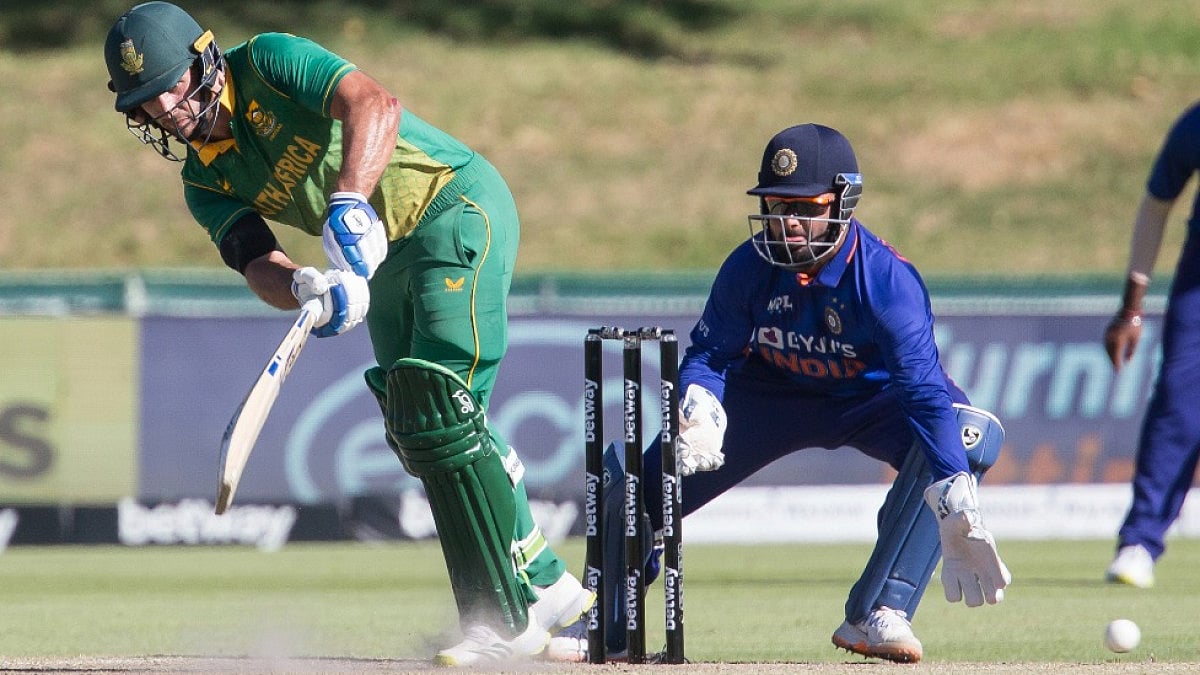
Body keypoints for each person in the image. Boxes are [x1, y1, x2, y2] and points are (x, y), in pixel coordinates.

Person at [103, 2, 592, 666]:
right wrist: (304, 285)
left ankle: (506, 615)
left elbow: (374, 103)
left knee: (442, 404)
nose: (163, 108)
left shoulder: (270, 61)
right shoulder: (203, 180)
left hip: (451, 205)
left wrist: (349, 203)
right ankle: (543, 590)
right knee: (415, 422)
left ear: (205, 59)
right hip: (383, 258)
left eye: (168, 84)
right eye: (144, 102)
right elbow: (256, 260)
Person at [555, 124, 1012, 664]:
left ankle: (879, 611)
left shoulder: (887, 281)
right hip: (770, 396)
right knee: (634, 488)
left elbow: (924, 392)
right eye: (775, 206)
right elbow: (710, 354)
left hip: (871, 401)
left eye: (806, 207)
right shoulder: (749, 266)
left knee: (970, 434)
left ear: (844, 201)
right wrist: (700, 402)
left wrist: (953, 497)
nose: (787, 223)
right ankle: (604, 620)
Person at [1103, 100, 1200, 589]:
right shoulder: (1197, 123)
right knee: (1179, 403)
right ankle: (1140, 542)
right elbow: (1156, 204)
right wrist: (1131, 307)